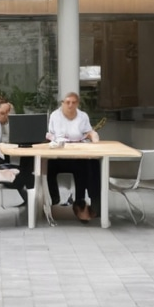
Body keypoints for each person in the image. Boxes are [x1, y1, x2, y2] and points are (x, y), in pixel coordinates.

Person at [45, 91, 102, 222]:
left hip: (78, 153)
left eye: (73, 102)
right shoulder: (55, 115)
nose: (70, 105)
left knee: (90, 165)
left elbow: (90, 133)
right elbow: (50, 135)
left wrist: (95, 139)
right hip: (59, 156)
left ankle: (82, 203)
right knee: (48, 165)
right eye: (67, 102)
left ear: (78, 104)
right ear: (62, 103)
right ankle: (55, 200)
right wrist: (55, 140)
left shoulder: (83, 116)